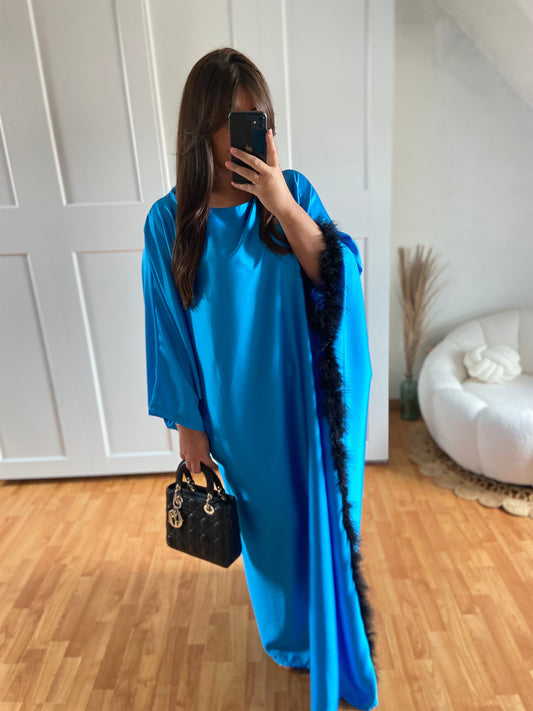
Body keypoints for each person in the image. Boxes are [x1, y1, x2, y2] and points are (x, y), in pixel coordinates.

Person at [142, 47, 378, 711]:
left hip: (309, 401)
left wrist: (279, 202)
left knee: (323, 521)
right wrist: (188, 425)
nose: (245, 130)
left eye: (256, 116)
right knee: (270, 535)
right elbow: (168, 330)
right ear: (201, 125)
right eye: (231, 118)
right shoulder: (168, 221)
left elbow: (337, 275)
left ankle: (332, 635)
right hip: (239, 413)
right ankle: (291, 636)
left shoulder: (291, 191)